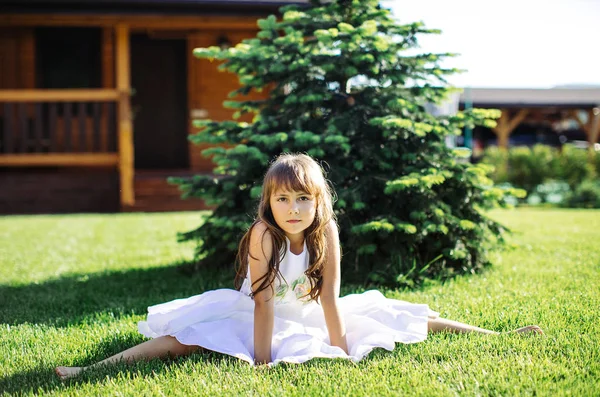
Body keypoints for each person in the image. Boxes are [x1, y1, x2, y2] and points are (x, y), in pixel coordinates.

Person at [55, 153, 542, 379]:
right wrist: (261, 363)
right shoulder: (263, 235)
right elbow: (263, 304)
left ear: (317, 202)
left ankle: (496, 338)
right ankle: (88, 370)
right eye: (282, 198)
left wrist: (342, 349)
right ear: (270, 202)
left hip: (308, 312)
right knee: (183, 339)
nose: (292, 208)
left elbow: (330, 298)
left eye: (302, 199)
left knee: (398, 314)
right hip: (254, 313)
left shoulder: (325, 232)